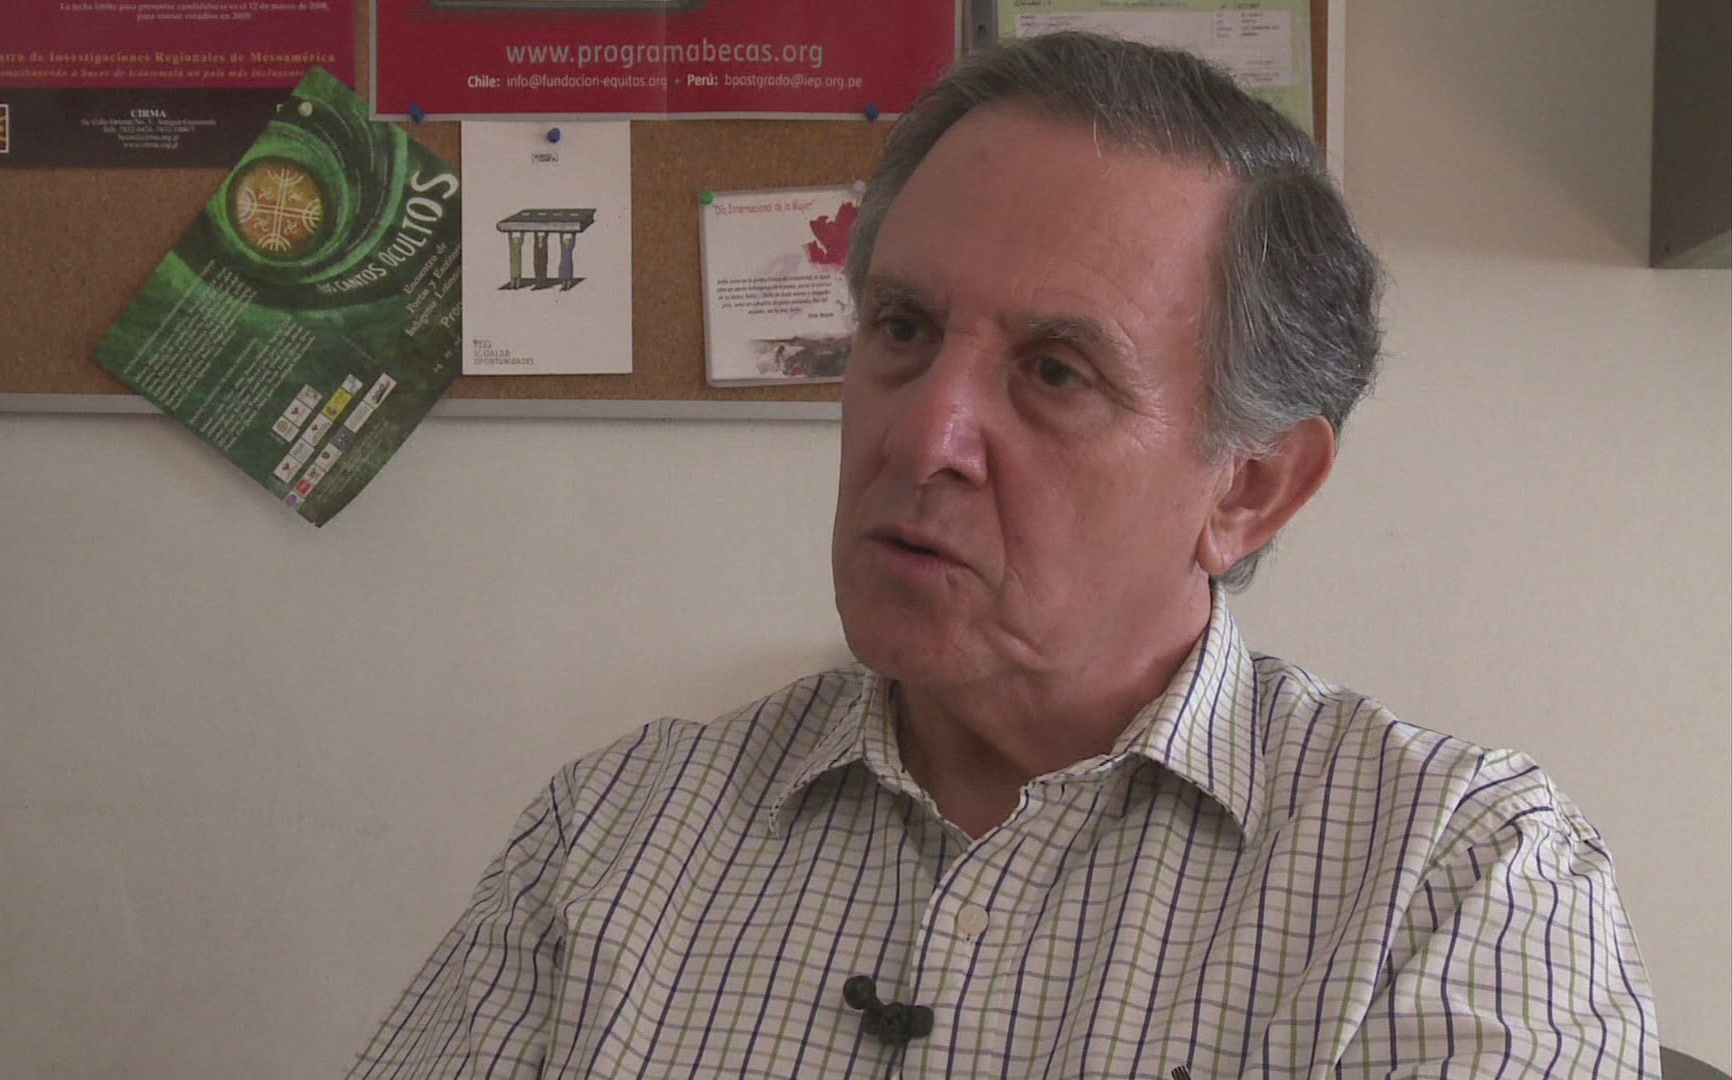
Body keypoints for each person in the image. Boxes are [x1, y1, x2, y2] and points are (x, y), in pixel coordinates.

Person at [347, 32, 1658, 1078]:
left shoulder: (1453, 879)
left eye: (1056, 372)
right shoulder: (615, 833)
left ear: (1250, 488)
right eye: (902, 330)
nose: (925, 437)